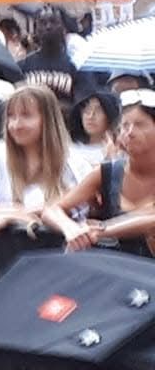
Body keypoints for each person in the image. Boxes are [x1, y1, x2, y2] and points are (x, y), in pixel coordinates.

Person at [0, 83, 88, 235]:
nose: (16, 124)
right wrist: (13, 215)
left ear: (48, 120)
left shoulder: (74, 162)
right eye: (11, 116)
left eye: (26, 115)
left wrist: (10, 217)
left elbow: (80, 210)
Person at [44, 90, 155, 256]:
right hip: (114, 268)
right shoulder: (107, 172)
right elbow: (52, 209)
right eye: (125, 125)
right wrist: (71, 229)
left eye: (140, 125)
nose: (129, 132)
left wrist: (100, 230)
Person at [71, 91, 121, 162]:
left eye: (98, 110)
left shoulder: (119, 152)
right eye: (87, 110)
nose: (90, 116)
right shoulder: (69, 149)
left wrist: (111, 158)